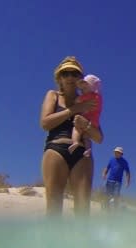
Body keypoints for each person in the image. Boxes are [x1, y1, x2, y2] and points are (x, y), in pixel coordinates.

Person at [40, 56, 102, 216]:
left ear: (80, 79)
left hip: (82, 154)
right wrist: (75, 109)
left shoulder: (88, 100)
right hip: (56, 148)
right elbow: (45, 123)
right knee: (53, 208)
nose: (70, 77)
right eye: (65, 74)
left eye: (74, 74)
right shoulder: (53, 95)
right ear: (59, 78)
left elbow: (99, 137)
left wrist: (86, 124)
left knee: (83, 211)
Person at [69, 74, 103, 158]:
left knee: (76, 128)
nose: (82, 90)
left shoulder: (90, 95)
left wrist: (77, 101)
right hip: (95, 121)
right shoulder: (98, 96)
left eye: (84, 88)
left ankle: (75, 141)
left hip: (87, 118)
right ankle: (88, 149)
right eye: (81, 89)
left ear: (91, 87)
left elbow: (78, 100)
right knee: (86, 136)